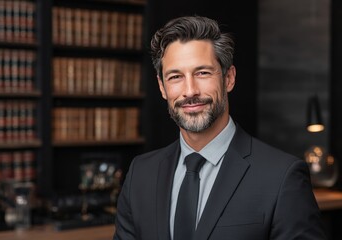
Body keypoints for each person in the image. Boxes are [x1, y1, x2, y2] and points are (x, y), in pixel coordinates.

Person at [113, 15, 326, 240]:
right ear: (162, 87)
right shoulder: (141, 174)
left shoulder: (283, 177)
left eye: (202, 73)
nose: (190, 91)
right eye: (175, 76)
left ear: (229, 78)